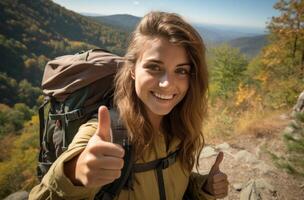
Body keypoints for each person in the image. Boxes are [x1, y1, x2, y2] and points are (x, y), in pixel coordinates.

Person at [29, 11, 228, 200]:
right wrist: (74, 174)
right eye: (154, 67)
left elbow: (165, 182)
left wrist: (203, 188)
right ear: (132, 70)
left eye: (181, 71)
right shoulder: (106, 133)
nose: (167, 83)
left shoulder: (180, 125)